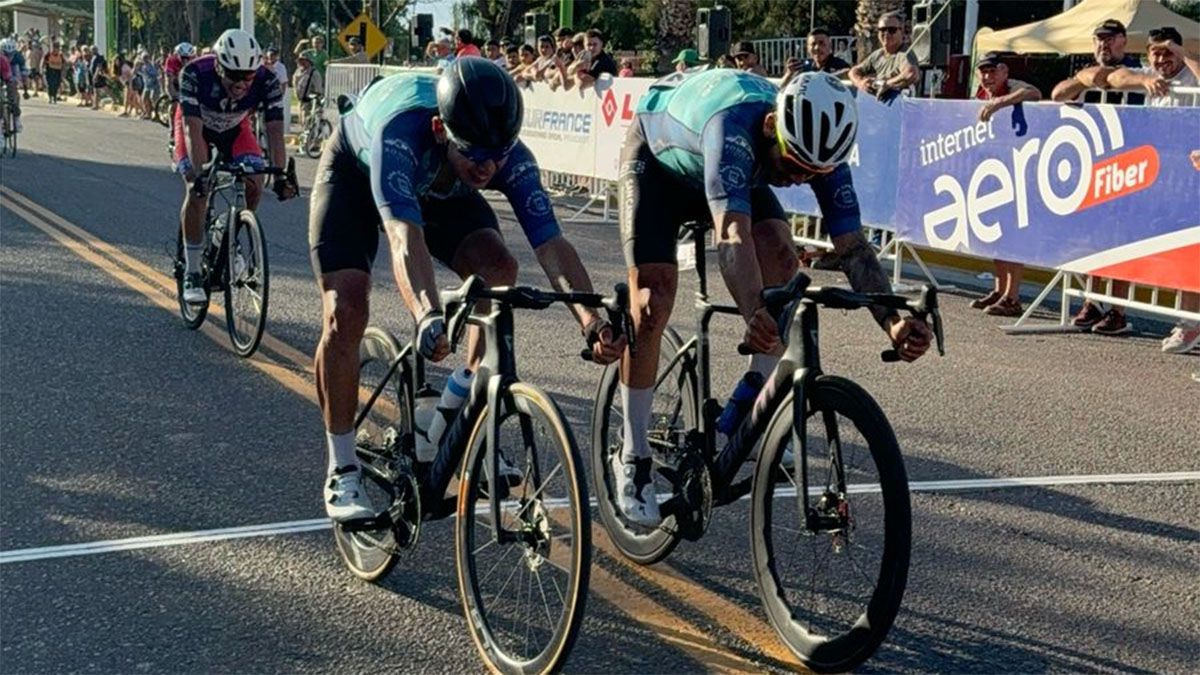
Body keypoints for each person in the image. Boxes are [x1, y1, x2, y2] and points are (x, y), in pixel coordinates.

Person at [308, 58, 625, 521]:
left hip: (440, 187)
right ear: (441, 128)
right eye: (476, 154)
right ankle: (342, 466)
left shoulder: (499, 155)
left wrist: (591, 321)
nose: (489, 167)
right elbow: (403, 237)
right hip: (357, 180)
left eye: (499, 154)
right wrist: (427, 315)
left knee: (499, 267)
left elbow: (552, 244)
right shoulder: (401, 133)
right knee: (346, 308)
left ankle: (463, 410)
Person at [612, 69, 932, 525]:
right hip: (659, 165)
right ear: (771, 127)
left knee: (783, 261)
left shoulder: (816, 153)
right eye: (794, 165)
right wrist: (753, 311)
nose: (799, 179)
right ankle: (634, 454)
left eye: (813, 174)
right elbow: (732, 236)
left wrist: (892, 319)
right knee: (651, 301)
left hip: (738, 172)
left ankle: (743, 410)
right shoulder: (735, 128)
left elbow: (854, 248)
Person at [175, 29, 297, 305]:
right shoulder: (195, 74)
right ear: (219, 65)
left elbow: (275, 130)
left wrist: (280, 175)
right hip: (196, 127)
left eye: (248, 76)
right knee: (198, 190)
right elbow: (191, 129)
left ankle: (225, 231)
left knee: (255, 182)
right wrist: (198, 173)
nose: (241, 83)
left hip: (235, 127)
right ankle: (193, 271)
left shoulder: (267, 80)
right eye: (234, 75)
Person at [1104, 27, 1200, 352]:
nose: (1162, 60)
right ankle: (1187, 320)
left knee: (1190, 253)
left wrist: (1181, 50)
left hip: (1193, 175)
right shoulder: (1150, 73)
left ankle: (1189, 324)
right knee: (1178, 253)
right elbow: (1113, 78)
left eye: (1168, 52)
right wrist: (1142, 81)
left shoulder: (1191, 73)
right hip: (1164, 180)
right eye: (1156, 53)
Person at [965, 52, 1042, 317]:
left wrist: (1000, 102)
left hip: (1019, 169)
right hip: (992, 169)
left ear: (1004, 71)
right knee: (996, 232)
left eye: (992, 72)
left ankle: (1013, 295)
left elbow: (1034, 92)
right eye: (983, 72)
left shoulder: (1014, 88)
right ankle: (999, 289)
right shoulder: (981, 92)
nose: (987, 78)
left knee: (1012, 235)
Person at [1051, 19, 1144, 105]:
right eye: (1100, 39)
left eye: (1109, 39)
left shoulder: (1133, 67)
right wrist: (1083, 79)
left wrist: (1083, 79)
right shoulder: (1088, 68)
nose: (1103, 44)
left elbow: (1096, 76)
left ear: (1123, 41)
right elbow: (1058, 94)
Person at [849, 12, 919, 99]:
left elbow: (911, 74)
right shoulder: (877, 54)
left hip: (901, 109)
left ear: (902, 31)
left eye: (892, 30)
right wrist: (860, 83)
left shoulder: (904, 54)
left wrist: (887, 84)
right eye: (882, 30)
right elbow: (854, 71)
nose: (886, 34)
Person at [782, 27, 852, 88]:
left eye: (821, 43)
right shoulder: (804, 66)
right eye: (813, 44)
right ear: (808, 48)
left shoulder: (840, 65)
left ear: (830, 45)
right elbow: (781, 88)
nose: (817, 48)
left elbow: (849, 75)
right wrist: (789, 74)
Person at [293, 49, 324, 130]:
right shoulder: (297, 72)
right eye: (300, 61)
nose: (302, 62)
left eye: (304, 60)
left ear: (309, 61)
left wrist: (317, 100)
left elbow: (318, 89)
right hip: (300, 101)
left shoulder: (314, 73)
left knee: (308, 121)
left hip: (310, 102)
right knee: (301, 121)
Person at [264, 47, 289, 133]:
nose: (271, 57)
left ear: (276, 56)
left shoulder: (281, 67)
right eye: (270, 55)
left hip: (276, 99)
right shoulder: (264, 66)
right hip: (265, 98)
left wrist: (281, 95)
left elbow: (284, 82)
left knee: (276, 121)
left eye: (273, 55)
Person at [0, 45, 19, 132]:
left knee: (12, 86)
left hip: (3, 78)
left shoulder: (3, 60)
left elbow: (8, 76)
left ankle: (14, 106)